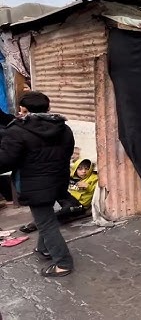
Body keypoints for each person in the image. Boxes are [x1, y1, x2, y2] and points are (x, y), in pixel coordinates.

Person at [0, 91, 75, 277]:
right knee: (46, 218)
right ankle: (45, 249)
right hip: (58, 180)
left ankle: (63, 263)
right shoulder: (63, 128)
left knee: (46, 223)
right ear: (48, 108)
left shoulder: (16, 131)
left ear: (23, 110)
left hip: (34, 184)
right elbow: (68, 153)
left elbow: (5, 161)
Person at [20, 158, 98, 234]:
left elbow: (98, 190)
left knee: (63, 212)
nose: (84, 171)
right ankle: (40, 214)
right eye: (80, 169)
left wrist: (88, 187)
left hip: (79, 204)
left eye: (87, 169)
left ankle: (33, 225)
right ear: (76, 169)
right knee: (50, 195)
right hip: (68, 198)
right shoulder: (71, 177)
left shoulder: (93, 178)